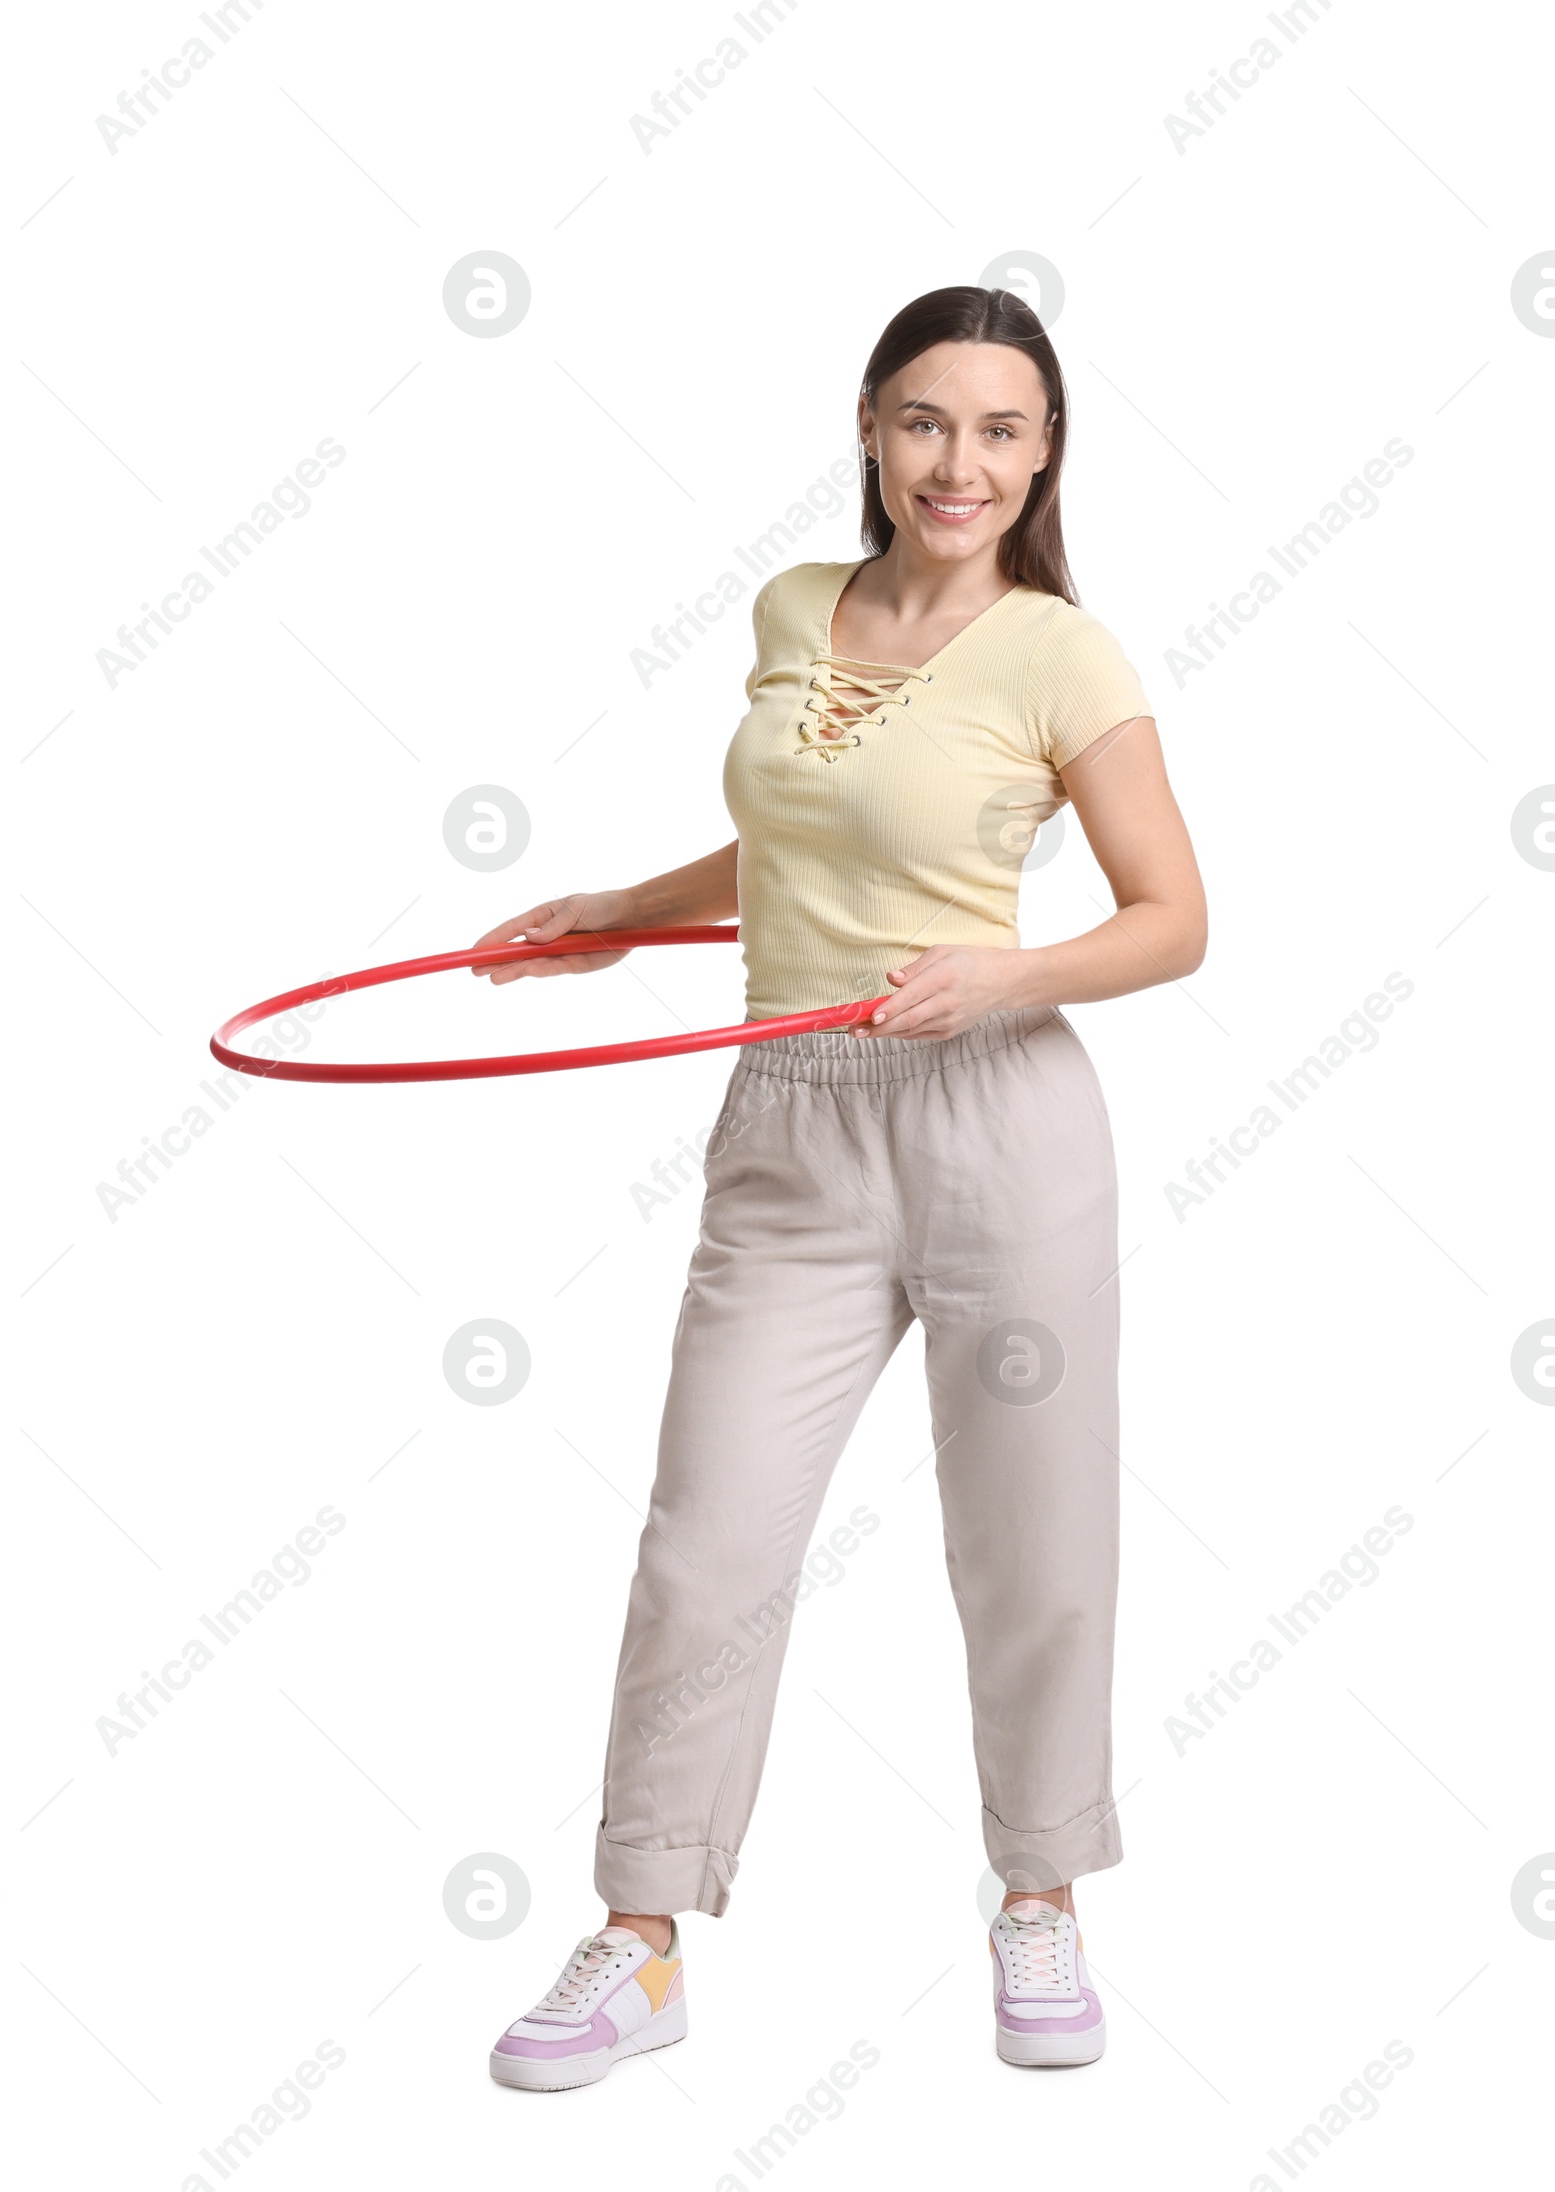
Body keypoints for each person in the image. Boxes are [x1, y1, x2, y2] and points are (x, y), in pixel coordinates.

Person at [477, 285, 1206, 2089]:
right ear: (872, 427)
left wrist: (1002, 976)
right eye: (927, 422)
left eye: (1002, 432)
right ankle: (643, 1935)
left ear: (1043, 458)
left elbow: (1172, 919)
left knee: (1030, 1542)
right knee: (706, 1538)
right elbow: (801, 838)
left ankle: (1040, 1892)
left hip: (999, 1122)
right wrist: (621, 912)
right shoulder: (797, 610)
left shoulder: (1061, 653)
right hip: (790, 1125)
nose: (960, 464)